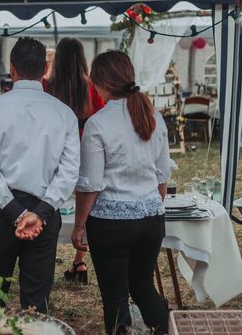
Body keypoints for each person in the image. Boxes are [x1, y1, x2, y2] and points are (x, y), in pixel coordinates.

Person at [0, 37, 80, 313]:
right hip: (44, 212)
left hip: (2, 210)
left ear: (12, 69)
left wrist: (16, 212)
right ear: (45, 69)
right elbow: (69, 172)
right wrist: (39, 213)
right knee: (36, 302)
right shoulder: (64, 114)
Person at [71, 50, 170, 335]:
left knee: (115, 296)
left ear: (98, 83)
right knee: (143, 288)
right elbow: (163, 175)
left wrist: (79, 226)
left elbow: (90, 184)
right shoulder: (154, 117)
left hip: (111, 223)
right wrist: (150, 205)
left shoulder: (98, 124)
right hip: (151, 218)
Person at [45, 37, 104, 284]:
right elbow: (101, 117)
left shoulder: (47, 85)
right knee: (85, 206)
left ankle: (46, 254)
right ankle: (79, 260)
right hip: (83, 148)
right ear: (82, 58)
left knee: (50, 202)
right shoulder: (90, 87)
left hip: (53, 149)